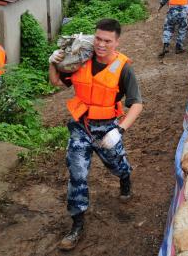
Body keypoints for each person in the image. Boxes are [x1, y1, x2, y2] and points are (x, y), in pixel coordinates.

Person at [48, 18, 143, 251]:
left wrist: (119, 131)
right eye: (98, 39)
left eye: (107, 41)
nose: (101, 45)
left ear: (116, 42)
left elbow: (137, 104)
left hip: (108, 128)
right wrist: (52, 63)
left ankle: (125, 179)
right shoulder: (81, 59)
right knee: (77, 173)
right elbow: (56, 82)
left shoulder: (123, 68)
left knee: (117, 165)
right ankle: (77, 224)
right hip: (81, 126)